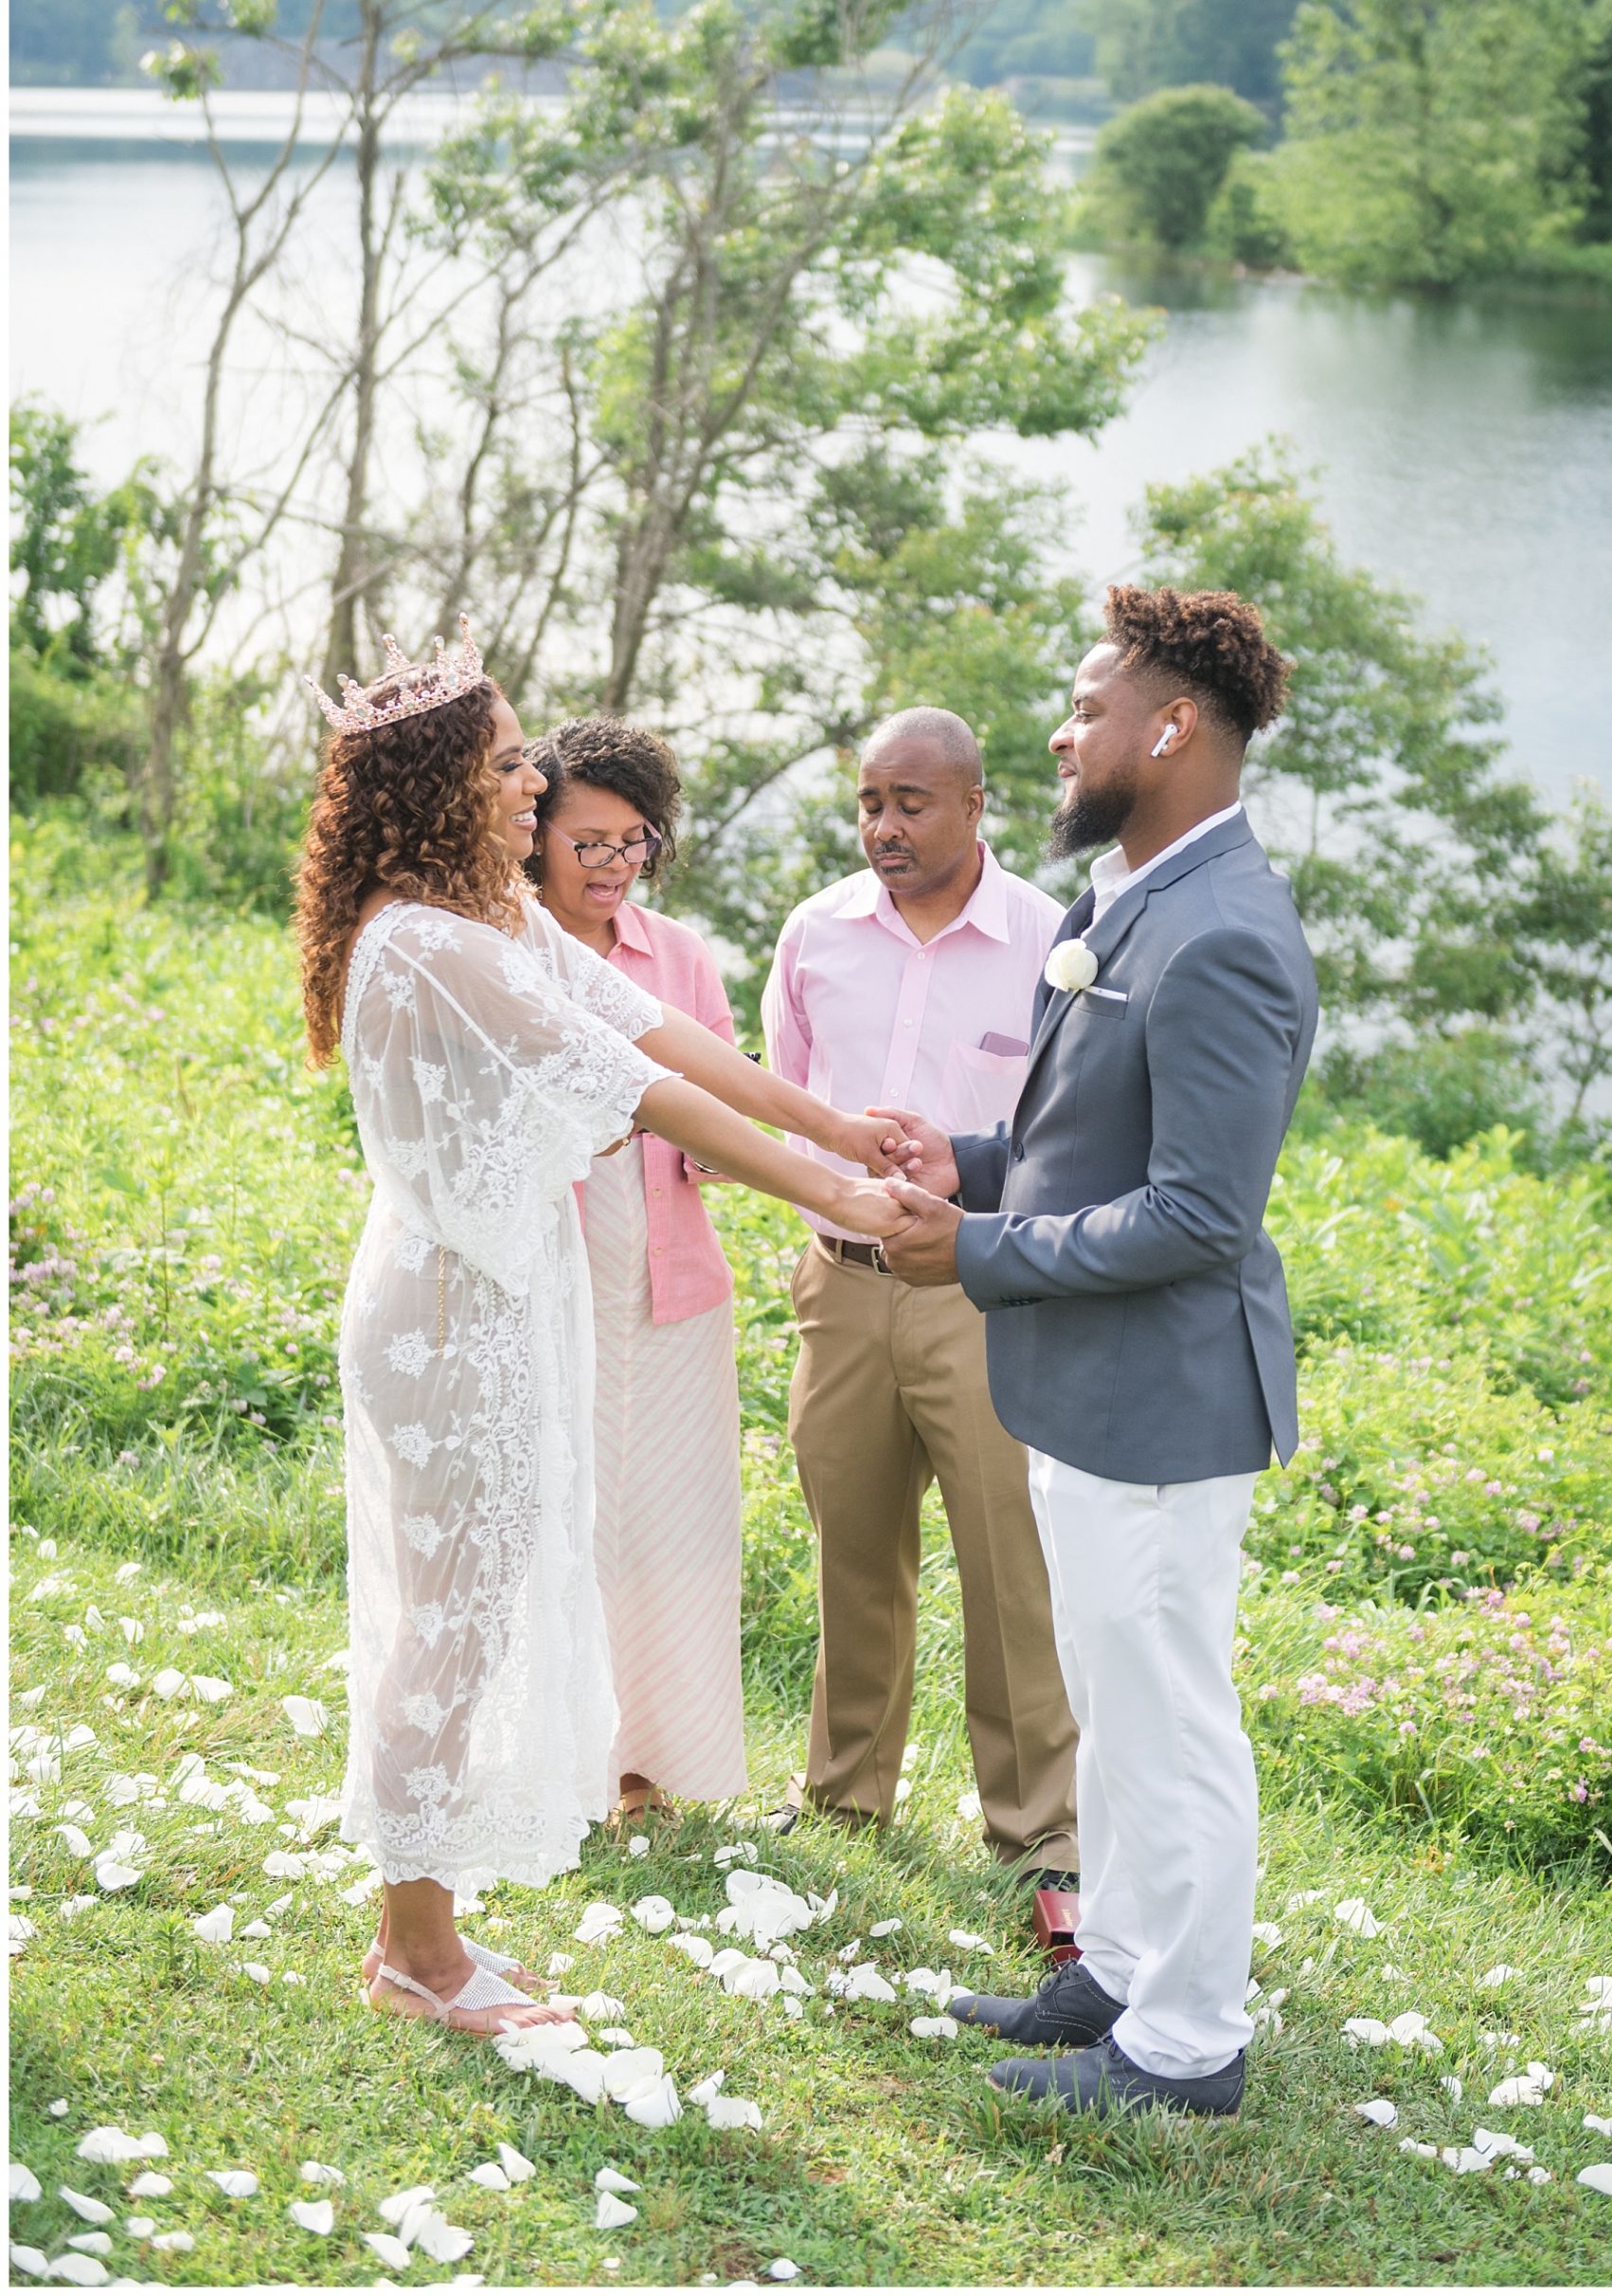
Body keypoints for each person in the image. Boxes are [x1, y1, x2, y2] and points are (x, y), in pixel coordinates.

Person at [295, 619, 911, 2040]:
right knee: (449, 1625)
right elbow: (633, 1090)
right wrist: (832, 1195)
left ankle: (427, 1931)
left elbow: (657, 1031)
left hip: (504, 1296)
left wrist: (830, 1124)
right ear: (440, 782)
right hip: (449, 1311)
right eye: (510, 762)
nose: (533, 783)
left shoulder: (488, 922)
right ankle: (415, 1955)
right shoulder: (427, 944)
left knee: (477, 1608)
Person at [878, 587, 1318, 2119]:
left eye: (1085, 710)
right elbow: (1082, 1148)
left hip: (1165, 1405)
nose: (1062, 737)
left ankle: (1186, 2045)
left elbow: (1196, 1216)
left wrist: (970, 1255)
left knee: (1170, 1720)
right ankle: (1117, 1968)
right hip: (1087, 1391)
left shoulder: (1223, 933)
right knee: (1112, 1707)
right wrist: (954, 1165)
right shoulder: (1125, 898)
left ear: (1170, 726)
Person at [761, 707, 1080, 1886]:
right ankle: (843, 1800)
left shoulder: (1051, 940)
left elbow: (1071, 1129)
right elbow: (787, 1099)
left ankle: (1039, 1832)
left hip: (984, 1295)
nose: (882, 826)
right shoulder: (815, 933)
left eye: (909, 803)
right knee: (851, 1552)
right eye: (868, 803)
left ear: (973, 805)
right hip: (839, 1290)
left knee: (1008, 1570)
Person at [524, 717, 746, 1827]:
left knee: (668, 1530)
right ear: (533, 834)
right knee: (560, 1516)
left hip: (670, 1293)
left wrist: (700, 1131)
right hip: (546, 1279)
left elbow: (723, 1116)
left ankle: (650, 1768)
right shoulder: (503, 949)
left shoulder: (680, 957)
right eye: (589, 842)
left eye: (635, 841)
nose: (614, 865)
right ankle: (557, 1760)